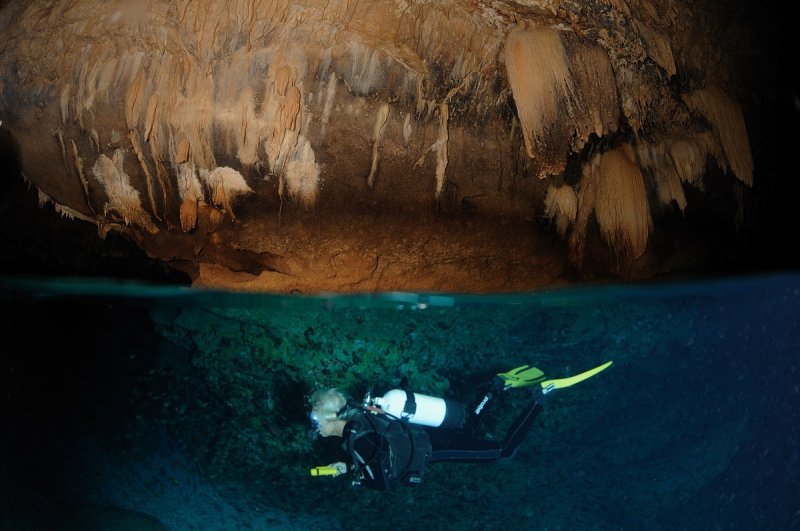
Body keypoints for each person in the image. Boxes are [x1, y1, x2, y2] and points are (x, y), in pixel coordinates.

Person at [308, 361, 612, 491]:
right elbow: (381, 451)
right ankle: (495, 387)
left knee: (505, 452)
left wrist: (354, 476)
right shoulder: (362, 418)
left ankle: (541, 396)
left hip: (430, 449)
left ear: (332, 417)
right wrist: (348, 467)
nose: (314, 425)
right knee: (467, 432)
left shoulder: (356, 440)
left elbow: (382, 482)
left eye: (315, 418)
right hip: (425, 433)